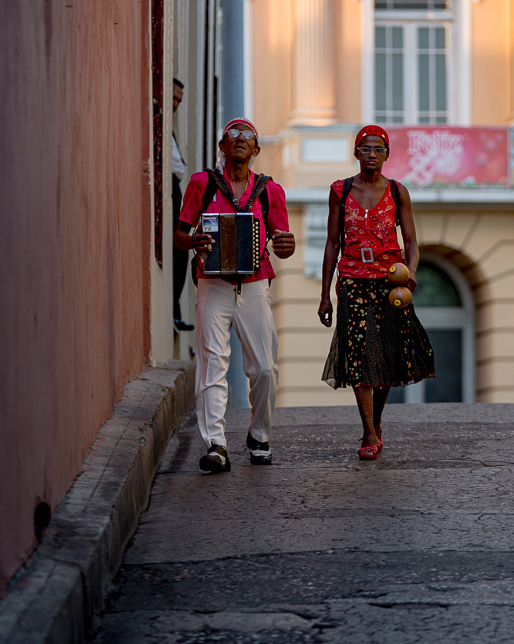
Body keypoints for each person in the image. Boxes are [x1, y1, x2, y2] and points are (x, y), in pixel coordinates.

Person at [174, 118, 295, 473]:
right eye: (233, 135)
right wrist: (192, 241)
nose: (240, 140)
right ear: (222, 146)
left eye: (248, 137)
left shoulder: (270, 191)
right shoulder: (202, 184)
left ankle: (259, 435)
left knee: (265, 368)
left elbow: (282, 243)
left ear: (256, 150)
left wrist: (287, 245)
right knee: (213, 362)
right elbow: (180, 234)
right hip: (213, 285)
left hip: (255, 284)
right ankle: (216, 444)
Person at [317, 125, 435, 460]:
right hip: (353, 280)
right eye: (366, 149)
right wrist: (325, 294)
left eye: (378, 149)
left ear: (387, 154)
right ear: (356, 153)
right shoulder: (340, 190)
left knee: (388, 355)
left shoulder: (398, 192)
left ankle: (377, 419)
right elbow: (331, 242)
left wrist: (410, 274)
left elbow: (411, 242)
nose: (372, 154)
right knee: (358, 355)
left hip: (389, 282)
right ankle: (368, 431)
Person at [172, 78, 194, 331]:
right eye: (174, 98)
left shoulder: (172, 131)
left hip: (175, 194)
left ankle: (176, 310)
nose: (176, 104)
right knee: (178, 249)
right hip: (170, 193)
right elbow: (177, 167)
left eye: (179, 100)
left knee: (180, 254)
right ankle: (175, 312)